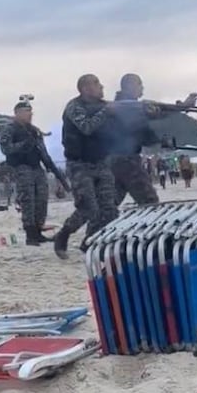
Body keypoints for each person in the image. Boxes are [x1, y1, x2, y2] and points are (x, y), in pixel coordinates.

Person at [53, 74, 119, 259]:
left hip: (101, 162)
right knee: (88, 208)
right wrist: (107, 111)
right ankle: (63, 235)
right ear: (86, 88)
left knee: (109, 209)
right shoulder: (74, 107)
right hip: (79, 165)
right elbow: (87, 127)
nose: (102, 87)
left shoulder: (102, 106)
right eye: (97, 84)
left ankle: (90, 242)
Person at [0, 100, 56, 246]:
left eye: (30, 112)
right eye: (26, 111)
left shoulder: (33, 130)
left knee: (41, 199)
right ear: (17, 113)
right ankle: (30, 234)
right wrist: (24, 145)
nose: (29, 115)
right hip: (21, 166)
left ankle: (38, 231)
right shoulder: (10, 129)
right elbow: (6, 148)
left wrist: (49, 165)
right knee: (28, 200)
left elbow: (42, 150)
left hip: (36, 166)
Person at [107, 74, 162, 207]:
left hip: (113, 161)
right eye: (139, 84)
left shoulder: (117, 105)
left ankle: (93, 227)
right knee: (150, 202)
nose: (142, 88)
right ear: (129, 86)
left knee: (110, 204)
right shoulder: (131, 108)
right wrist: (159, 140)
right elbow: (141, 132)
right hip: (128, 161)